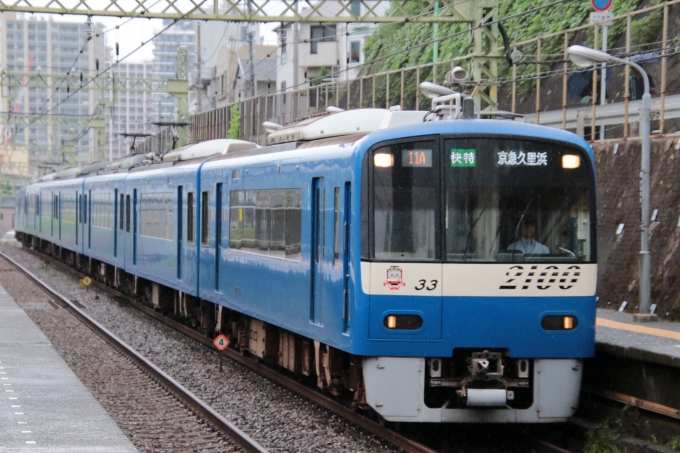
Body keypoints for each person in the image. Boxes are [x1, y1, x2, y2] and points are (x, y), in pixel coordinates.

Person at [580, 70, 609, 141]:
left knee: (599, 132)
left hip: (600, 112)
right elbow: (582, 100)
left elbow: (606, 98)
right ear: (591, 76)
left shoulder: (602, 87)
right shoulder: (587, 88)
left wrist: (605, 103)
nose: (597, 77)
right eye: (595, 75)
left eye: (598, 75)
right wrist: (591, 98)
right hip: (589, 112)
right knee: (588, 132)